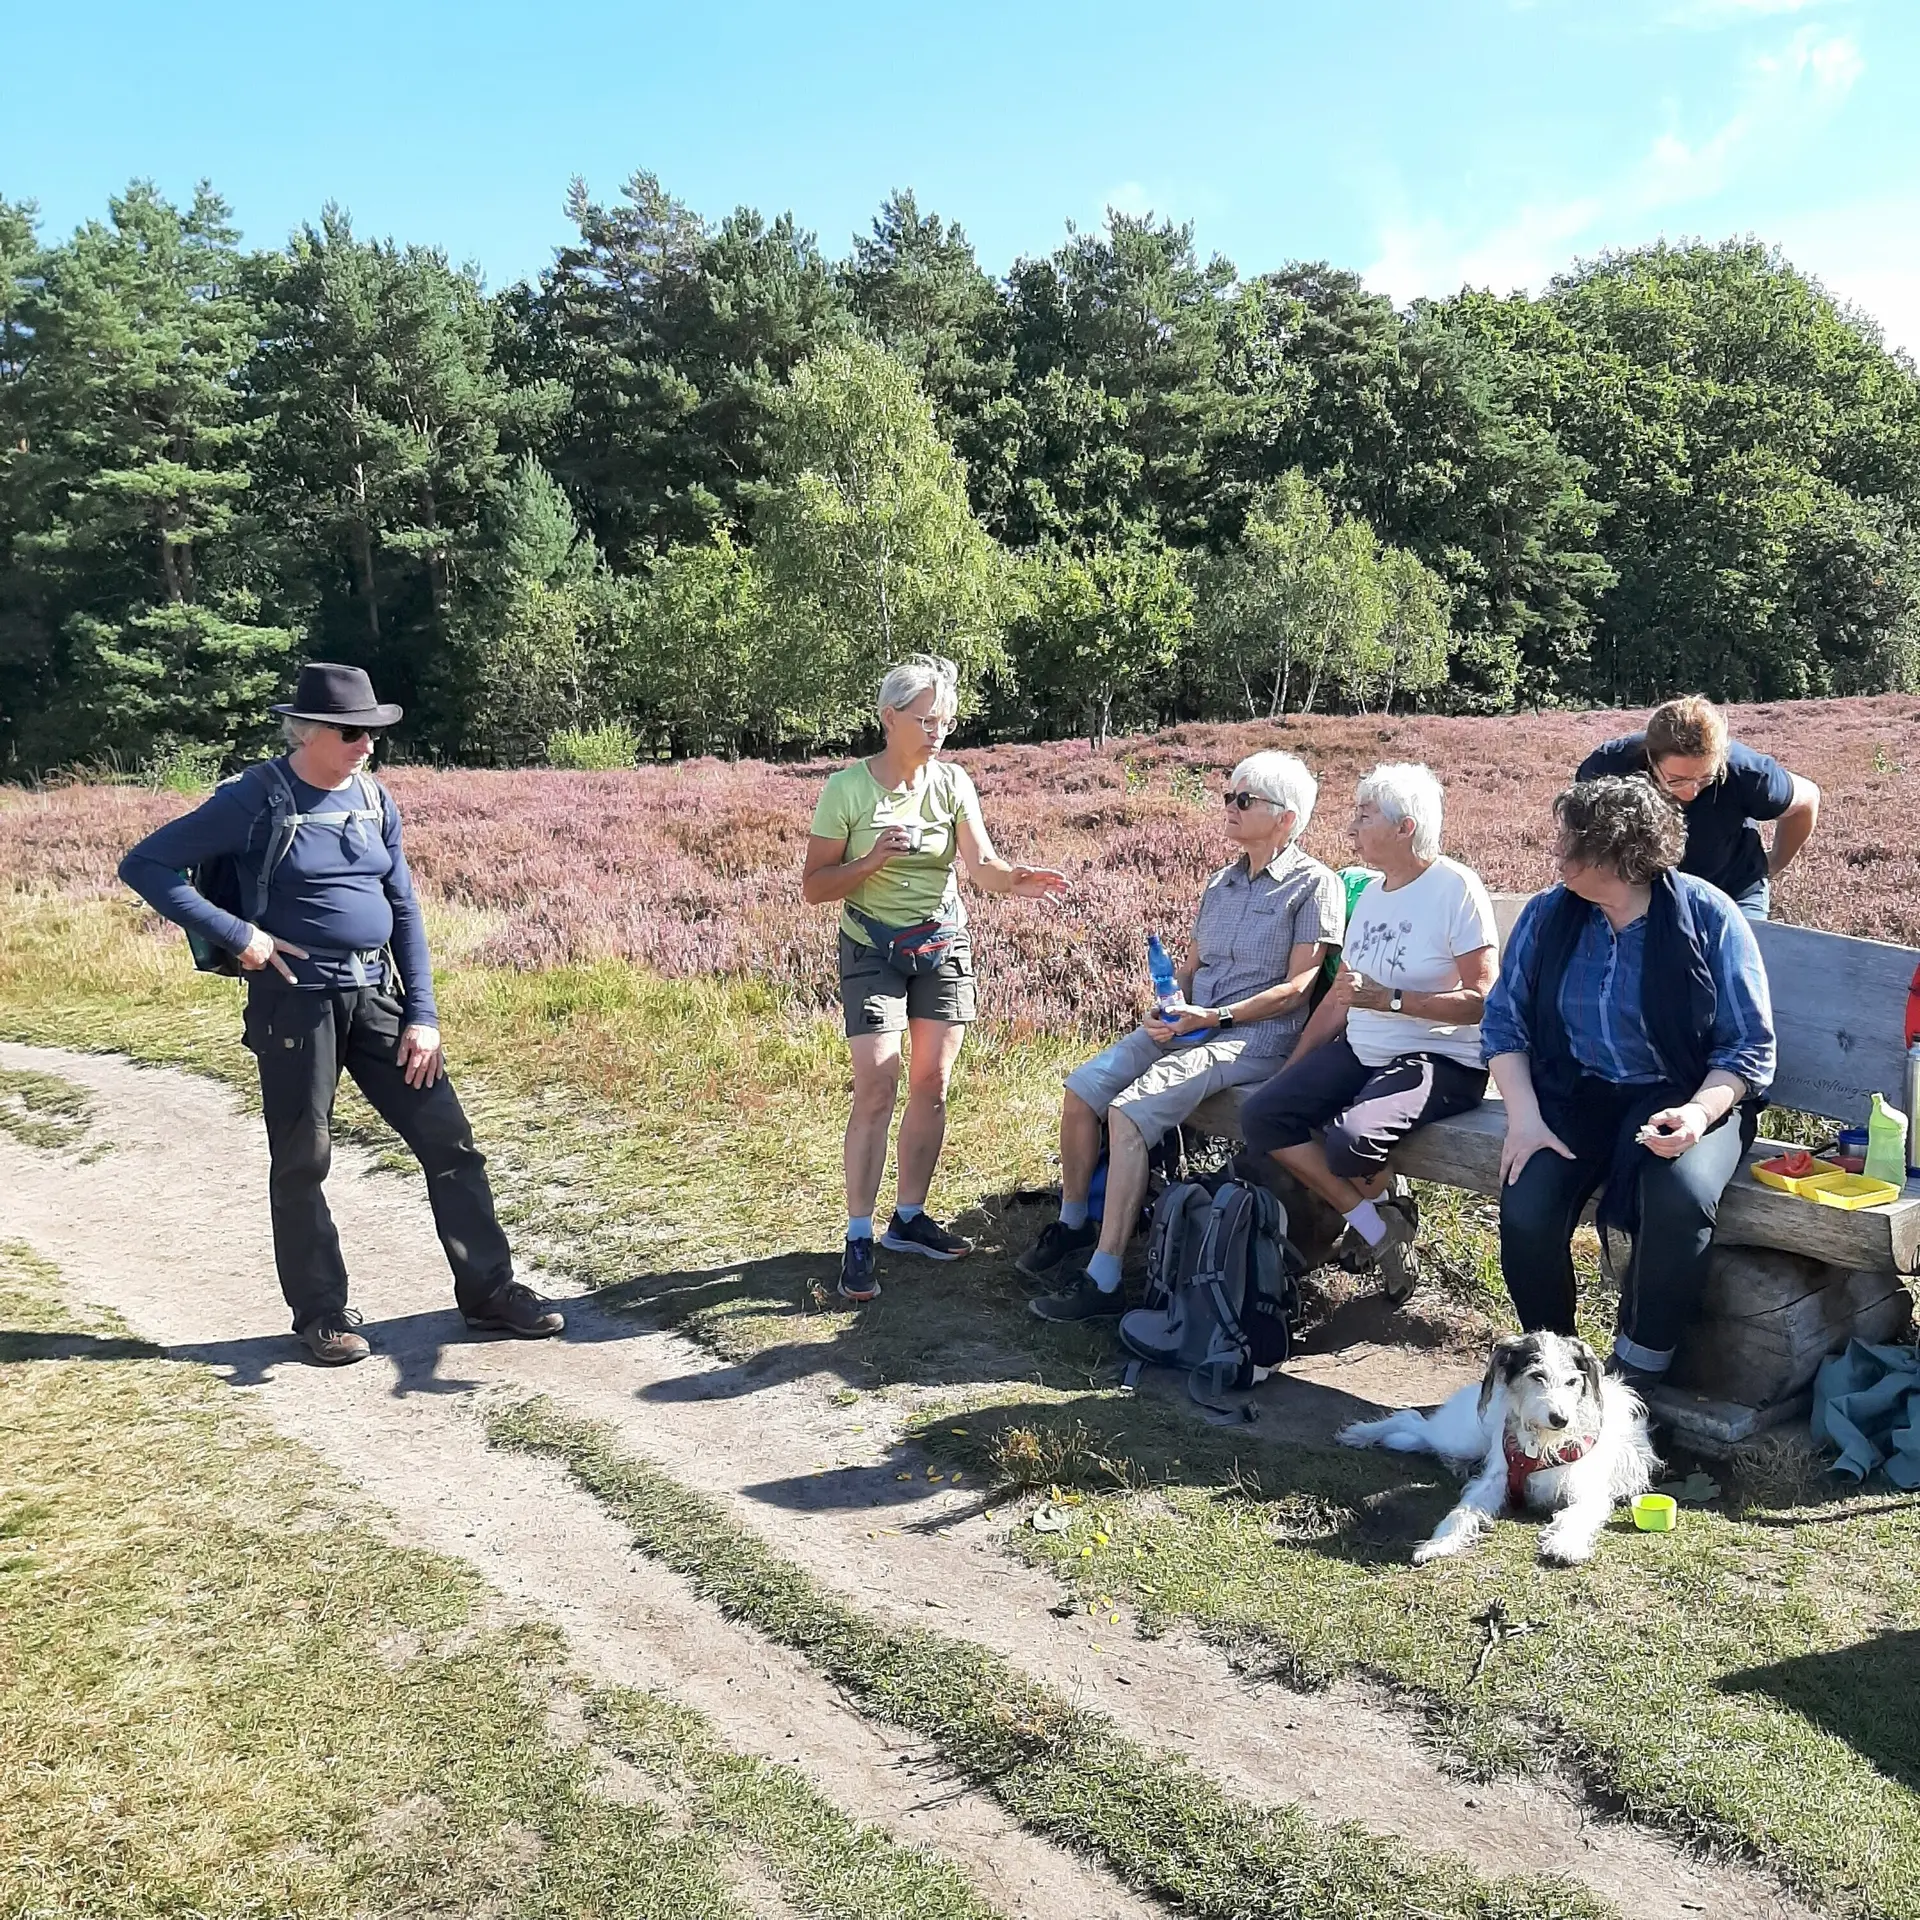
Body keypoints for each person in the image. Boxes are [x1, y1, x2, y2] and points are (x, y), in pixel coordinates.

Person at [118, 662, 564, 1365]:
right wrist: (243, 937)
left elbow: (404, 909)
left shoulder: (375, 799)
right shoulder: (252, 799)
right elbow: (144, 865)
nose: (368, 746)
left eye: (373, 732)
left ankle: (489, 1292)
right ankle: (321, 1314)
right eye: (354, 733)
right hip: (294, 1007)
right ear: (311, 733)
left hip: (377, 998)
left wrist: (424, 1014)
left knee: (450, 1142)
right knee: (304, 1161)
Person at [1018, 752, 1346, 1323]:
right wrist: (1166, 1010)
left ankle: (1106, 1277)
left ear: (1286, 818)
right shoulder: (1221, 883)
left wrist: (1212, 1020)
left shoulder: (1315, 886)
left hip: (1254, 1040)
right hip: (1192, 1025)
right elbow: (1190, 970)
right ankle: (1073, 1223)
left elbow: (1297, 989)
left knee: (1127, 1113)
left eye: (1244, 800)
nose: (1230, 808)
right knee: (1083, 1089)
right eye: (1228, 797)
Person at [1481, 775, 1776, 1386]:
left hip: (1689, 1092)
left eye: (1572, 843)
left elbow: (1748, 1047)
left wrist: (1696, 1115)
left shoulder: (1707, 917)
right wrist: (1525, 1119)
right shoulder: (1547, 915)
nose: (1557, 853)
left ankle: (1637, 1376)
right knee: (1527, 1202)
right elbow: (1504, 1024)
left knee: (1682, 1193)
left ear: (1617, 855)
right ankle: (1554, 1374)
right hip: (1577, 1090)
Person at [802, 655, 1068, 1305]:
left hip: (943, 943)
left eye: (945, 721)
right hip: (872, 946)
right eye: (925, 720)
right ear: (889, 717)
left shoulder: (952, 784)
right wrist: (870, 860)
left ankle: (909, 1219)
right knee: (877, 1083)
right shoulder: (847, 790)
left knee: (933, 1083)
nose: (937, 732)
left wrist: (1015, 880)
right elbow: (814, 888)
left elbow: (979, 865)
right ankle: (859, 1236)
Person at [1238, 764, 1499, 1301]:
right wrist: (1291, 1072)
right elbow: (1341, 999)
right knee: (1263, 1114)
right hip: (1364, 1049)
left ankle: (1384, 1207)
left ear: (1405, 827)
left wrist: (1396, 1001)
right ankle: (1379, 1226)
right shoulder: (1372, 894)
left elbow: (1481, 1002)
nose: (1349, 827)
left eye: (1363, 815)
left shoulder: (1456, 887)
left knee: (1350, 1144)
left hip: (1440, 1060)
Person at [1576, 694, 1819, 920]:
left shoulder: (1750, 774)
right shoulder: (1609, 768)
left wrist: (1775, 862)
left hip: (1733, 893)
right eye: (1676, 780)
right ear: (1650, 759)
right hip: (1643, 893)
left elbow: (1808, 799)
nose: (1691, 792)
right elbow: (1582, 832)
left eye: (1705, 779)